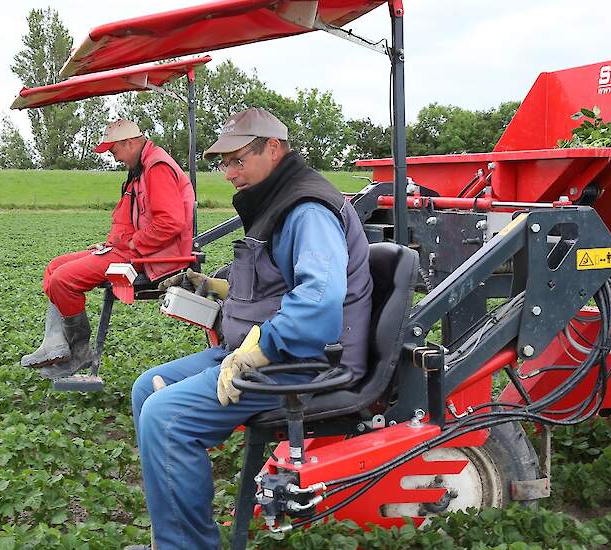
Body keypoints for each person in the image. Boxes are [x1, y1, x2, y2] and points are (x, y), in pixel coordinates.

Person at [127, 107, 373, 550]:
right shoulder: (275, 200)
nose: (227, 173)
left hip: (305, 360)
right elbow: (274, 281)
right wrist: (217, 288)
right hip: (266, 350)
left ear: (273, 149)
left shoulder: (306, 209)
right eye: (223, 163)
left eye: (237, 161)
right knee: (147, 389)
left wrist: (260, 348)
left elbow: (319, 301)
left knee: (166, 419)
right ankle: (178, 532)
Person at [21, 119, 195, 379]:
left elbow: (169, 221)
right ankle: (56, 345)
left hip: (153, 256)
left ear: (129, 143)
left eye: (114, 151)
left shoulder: (156, 168)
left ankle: (79, 351)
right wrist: (111, 244)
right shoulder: (139, 170)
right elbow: (126, 220)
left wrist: (134, 244)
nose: (114, 158)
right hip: (132, 250)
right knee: (54, 267)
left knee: (63, 280)